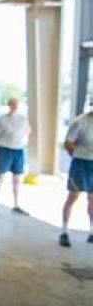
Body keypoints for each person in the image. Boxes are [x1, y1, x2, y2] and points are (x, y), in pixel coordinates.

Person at [59, 98, 93, 247]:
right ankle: (64, 231)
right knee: (73, 196)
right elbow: (68, 144)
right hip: (80, 162)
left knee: (92, 199)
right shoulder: (79, 122)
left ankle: (91, 231)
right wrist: (78, 155)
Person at [0, 97, 30, 216]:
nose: (13, 106)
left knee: (16, 178)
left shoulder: (23, 119)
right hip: (4, 150)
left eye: (15, 104)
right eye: (11, 103)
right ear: (8, 105)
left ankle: (16, 204)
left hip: (18, 151)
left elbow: (28, 132)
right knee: (0, 176)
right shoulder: (2, 119)